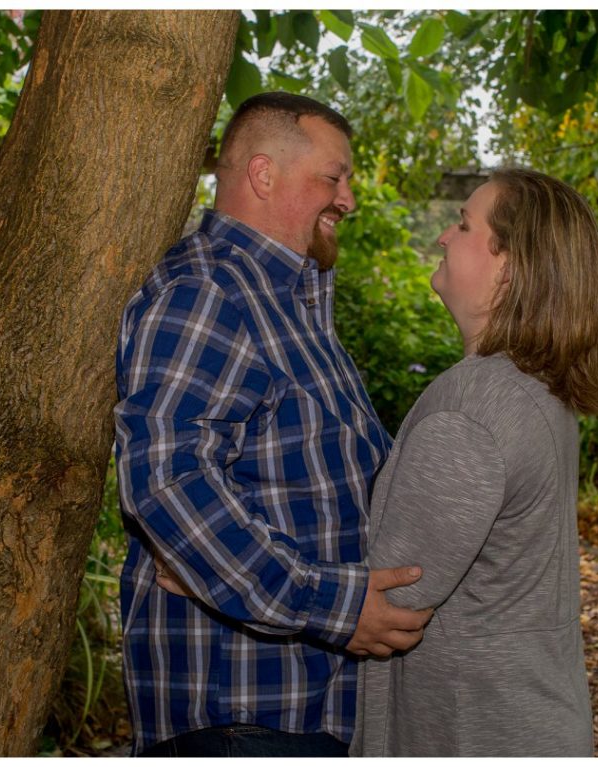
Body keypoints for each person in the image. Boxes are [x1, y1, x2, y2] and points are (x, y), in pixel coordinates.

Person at [113, 92, 432, 758]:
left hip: (296, 709)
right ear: (264, 175)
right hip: (239, 715)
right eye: (333, 177)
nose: (347, 198)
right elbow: (166, 483)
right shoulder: (209, 291)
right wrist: (332, 606)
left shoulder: (289, 302)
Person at [350, 168, 598, 757]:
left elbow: (389, 603)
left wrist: (226, 575)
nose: (445, 236)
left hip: (473, 731)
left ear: (511, 265)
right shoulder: (533, 387)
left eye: (465, 224)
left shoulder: (473, 411)